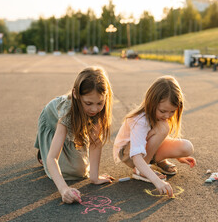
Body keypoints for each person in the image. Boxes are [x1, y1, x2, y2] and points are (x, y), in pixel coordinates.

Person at [35, 66, 114, 204]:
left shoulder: (97, 110)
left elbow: (95, 142)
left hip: (74, 124)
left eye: (99, 103)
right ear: (76, 94)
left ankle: (60, 146)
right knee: (70, 172)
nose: (94, 109)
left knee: (80, 170)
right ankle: (44, 149)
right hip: (53, 123)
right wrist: (64, 190)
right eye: (88, 103)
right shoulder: (67, 111)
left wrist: (94, 178)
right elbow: (53, 158)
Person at [113, 76, 196, 197]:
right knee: (162, 127)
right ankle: (141, 170)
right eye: (163, 111)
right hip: (128, 153)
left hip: (144, 148)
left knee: (187, 148)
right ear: (151, 103)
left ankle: (157, 162)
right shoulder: (140, 121)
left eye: (172, 111)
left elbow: (156, 139)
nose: (167, 115)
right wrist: (157, 181)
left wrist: (178, 156)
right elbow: (136, 156)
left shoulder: (161, 117)